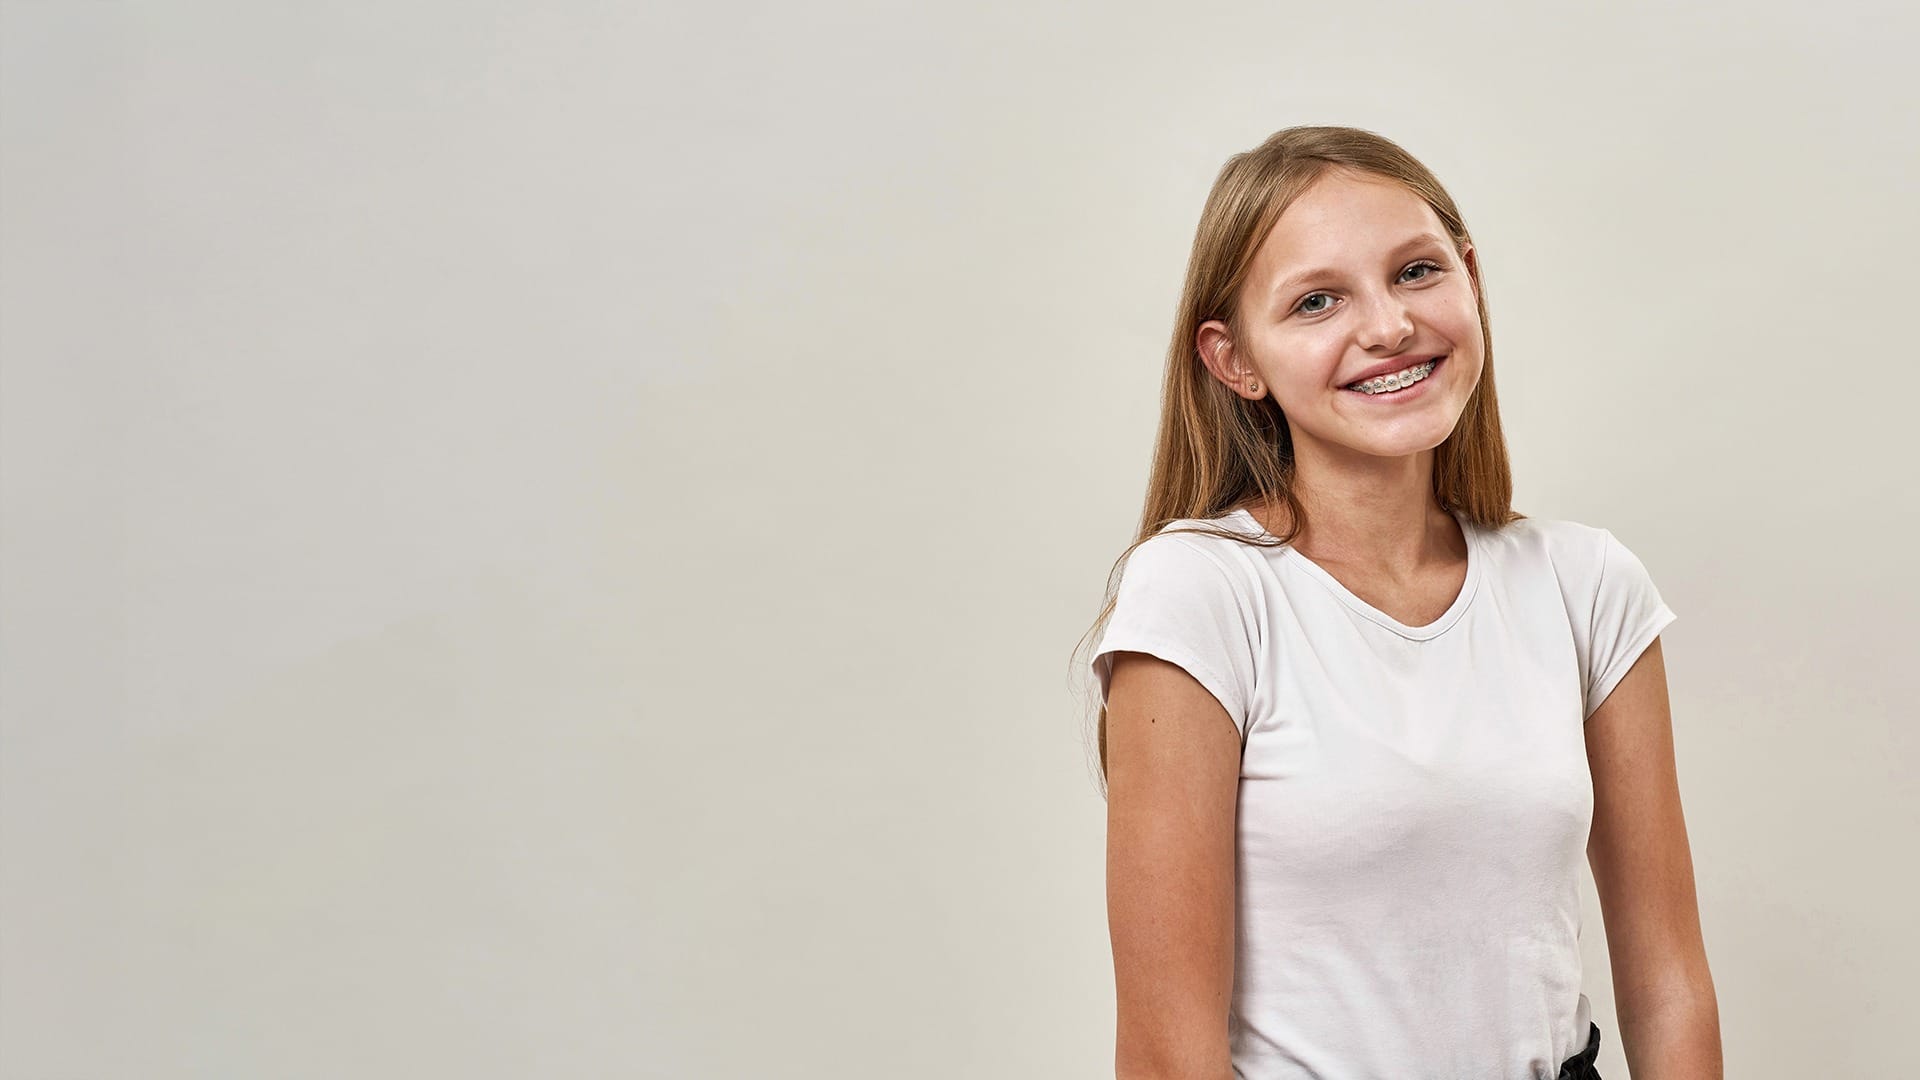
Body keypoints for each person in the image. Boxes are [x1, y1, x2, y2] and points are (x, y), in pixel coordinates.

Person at [1079, 126, 1721, 1079]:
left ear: (1471, 279)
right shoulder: (1201, 592)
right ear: (1234, 360)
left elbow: (1669, 984)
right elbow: (1169, 1055)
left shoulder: (1586, 584)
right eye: (1317, 301)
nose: (1387, 326)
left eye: (1417, 272)